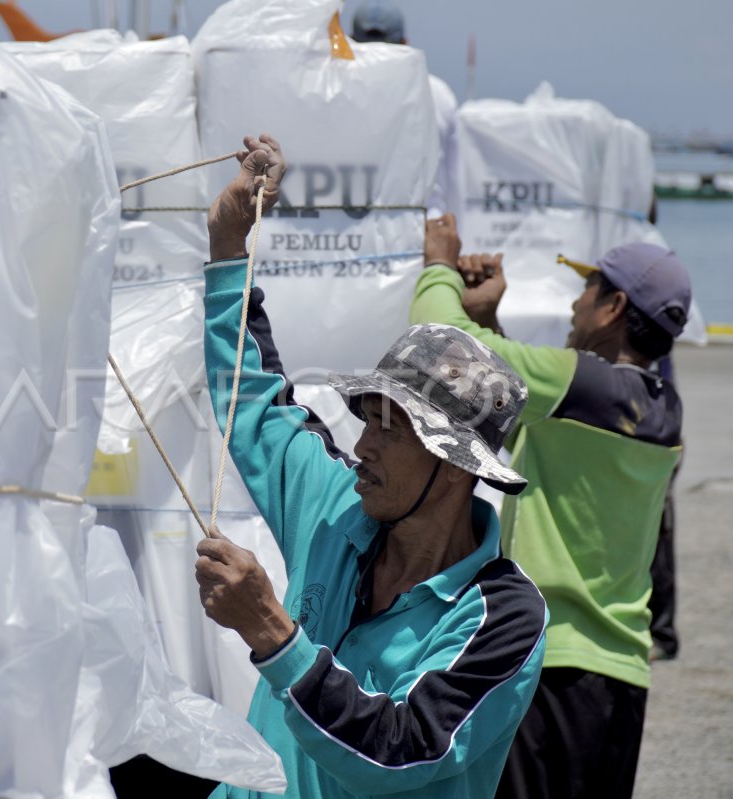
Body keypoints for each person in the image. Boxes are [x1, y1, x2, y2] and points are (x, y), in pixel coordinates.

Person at [194, 135, 547, 799]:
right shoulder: (337, 505)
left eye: (394, 429)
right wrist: (228, 250)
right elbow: (257, 403)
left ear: (455, 465)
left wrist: (272, 631)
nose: (362, 447)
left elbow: (402, 747)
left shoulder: (503, 616)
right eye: (367, 419)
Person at [413, 218, 690, 798]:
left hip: (551, 667)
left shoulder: (586, 383)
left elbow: (440, 345)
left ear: (613, 307)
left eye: (586, 291)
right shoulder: (660, 407)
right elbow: (531, 424)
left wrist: (439, 263)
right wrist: (490, 321)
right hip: (621, 678)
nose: (574, 304)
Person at [350, 0, 458, 215]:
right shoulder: (438, 93)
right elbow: (454, 179)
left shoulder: (338, 91)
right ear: (405, 44)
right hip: (425, 229)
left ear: (350, 42)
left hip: (355, 230)